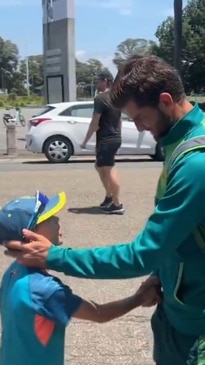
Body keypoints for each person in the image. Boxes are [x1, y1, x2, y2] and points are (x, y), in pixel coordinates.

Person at [5, 55, 205, 365]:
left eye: (139, 117)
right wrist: (160, 276)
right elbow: (180, 234)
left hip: (195, 325)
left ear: (166, 101)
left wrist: (56, 257)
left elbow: (142, 253)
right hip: (176, 310)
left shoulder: (196, 164)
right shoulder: (177, 143)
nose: (137, 127)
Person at [0, 190, 160, 365]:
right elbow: (99, 314)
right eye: (49, 218)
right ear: (30, 237)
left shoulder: (13, 273)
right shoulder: (44, 289)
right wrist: (139, 298)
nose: (58, 220)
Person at [80, 70, 124, 214]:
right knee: (99, 166)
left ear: (106, 81)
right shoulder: (116, 98)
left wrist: (85, 141)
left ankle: (117, 204)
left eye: (99, 80)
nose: (97, 83)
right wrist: (118, 136)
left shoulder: (100, 98)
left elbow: (95, 122)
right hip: (114, 137)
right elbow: (120, 120)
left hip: (106, 138)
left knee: (108, 169)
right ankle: (109, 196)